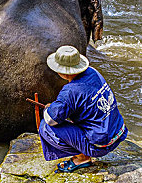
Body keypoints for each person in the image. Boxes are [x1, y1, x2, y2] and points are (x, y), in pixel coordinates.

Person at [38, 45, 127, 173]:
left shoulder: (69, 92)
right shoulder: (93, 72)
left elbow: (51, 120)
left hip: (101, 145)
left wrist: (49, 108)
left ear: (62, 72)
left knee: (45, 128)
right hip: (118, 133)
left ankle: (82, 157)